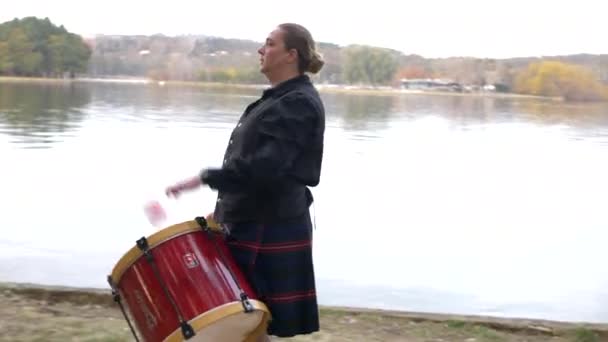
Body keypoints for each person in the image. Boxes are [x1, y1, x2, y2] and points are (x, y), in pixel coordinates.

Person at [165, 23, 325, 340]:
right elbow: (254, 169)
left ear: (291, 55)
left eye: (269, 44)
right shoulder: (280, 99)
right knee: (245, 323)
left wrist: (203, 178)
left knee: (248, 322)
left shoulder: (296, 103)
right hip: (253, 218)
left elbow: (265, 169)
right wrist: (224, 210)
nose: (260, 50)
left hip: (269, 224)